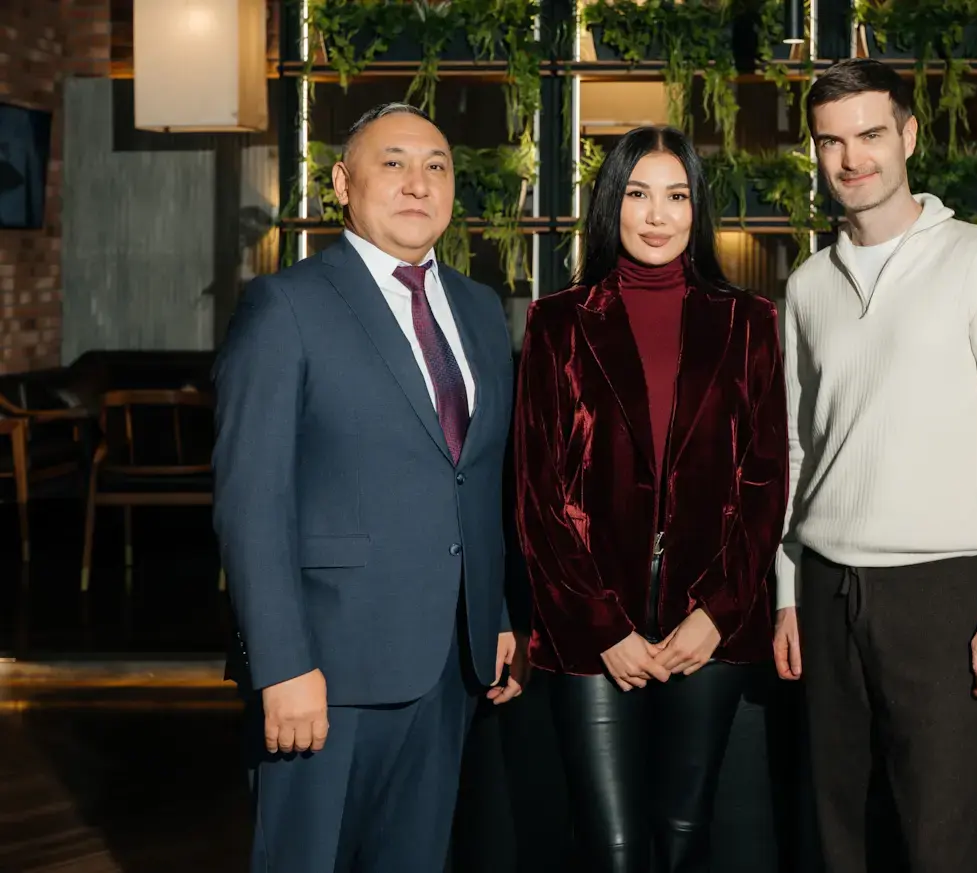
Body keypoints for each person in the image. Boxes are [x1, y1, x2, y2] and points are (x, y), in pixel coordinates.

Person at [213, 102, 527, 873]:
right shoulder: (287, 306)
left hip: (451, 665)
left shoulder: (480, 309)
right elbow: (251, 503)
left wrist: (494, 613)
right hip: (326, 671)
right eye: (393, 163)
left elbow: (479, 477)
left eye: (436, 166)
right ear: (341, 183)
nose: (418, 183)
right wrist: (281, 664)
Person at [771, 59, 977, 873]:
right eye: (831, 141)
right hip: (825, 588)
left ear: (909, 136)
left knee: (946, 842)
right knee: (835, 839)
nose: (851, 158)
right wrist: (787, 591)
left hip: (941, 591)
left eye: (869, 135)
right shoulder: (808, 285)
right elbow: (797, 446)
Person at [513, 124, 788, 873]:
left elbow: (765, 484)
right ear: (612, 204)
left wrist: (717, 613)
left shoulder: (750, 322)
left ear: (698, 209)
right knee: (614, 846)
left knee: (683, 833)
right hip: (592, 626)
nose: (658, 215)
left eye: (676, 196)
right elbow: (537, 494)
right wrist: (603, 625)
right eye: (638, 194)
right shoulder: (557, 322)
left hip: (710, 624)